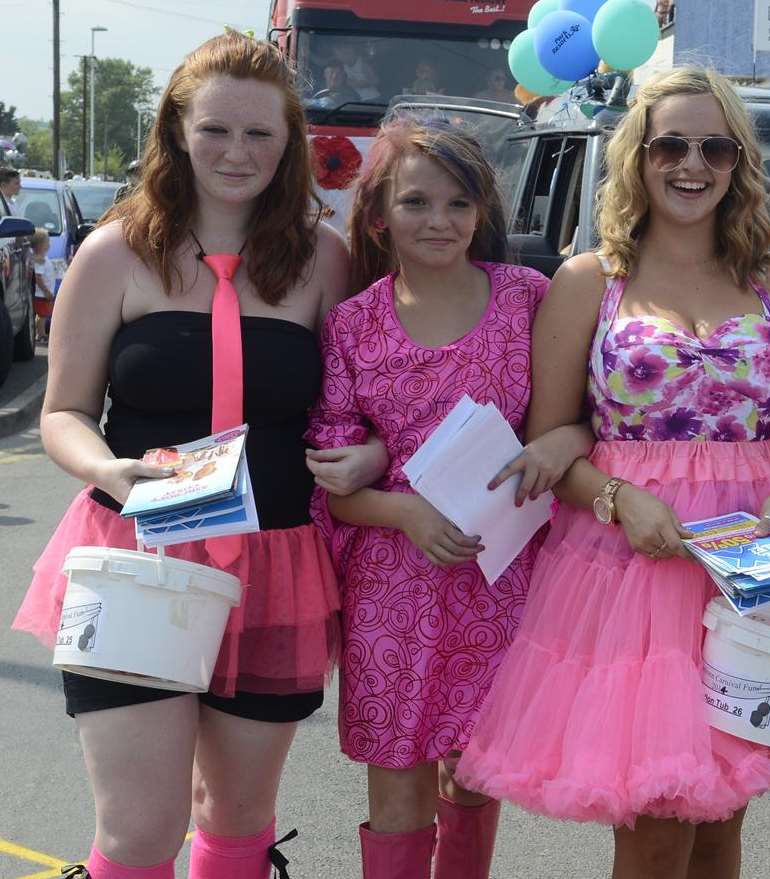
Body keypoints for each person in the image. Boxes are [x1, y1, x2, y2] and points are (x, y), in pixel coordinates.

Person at [452, 67, 770, 879]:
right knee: (657, 822)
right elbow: (553, 437)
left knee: (719, 819)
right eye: (671, 143)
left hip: (753, 566)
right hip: (631, 569)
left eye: (715, 147)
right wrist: (617, 495)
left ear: (740, 163)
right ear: (638, 154)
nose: (691, 163)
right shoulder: (589, 280)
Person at [11, 32, 387, 879]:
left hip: (277, 562)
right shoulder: (115, 253)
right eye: (216, 128)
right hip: (135, 560)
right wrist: (107, 469)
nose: (236, 151)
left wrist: (367, 454)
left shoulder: (324, 259)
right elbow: (65, 410)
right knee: (140, 831)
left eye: (260, 133)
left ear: (290, 140)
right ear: (177, 129)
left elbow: (371, 403)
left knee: (239, 816)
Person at [306, 117, 592, 879]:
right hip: (392, 592)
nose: (440, 221)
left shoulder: (530, 298)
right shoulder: (352, 326)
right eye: (416, 203)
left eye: (459, 204)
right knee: (400, 786)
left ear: (482, 212)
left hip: (501, 581)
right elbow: (332, 484)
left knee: (474, 775)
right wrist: (402, 507)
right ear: (377, 217)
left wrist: (564, 442)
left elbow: (585, 415)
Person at [30, 228, 55, 343]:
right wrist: (46, 291)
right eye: (47, 241)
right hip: (41, 294)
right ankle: (41, 335)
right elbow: (38, 278)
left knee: (42, 315)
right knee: (42, 315)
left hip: (42, 293)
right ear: (40, 245)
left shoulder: (42, 259)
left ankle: (39, 334)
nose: (49, 244)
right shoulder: (40, 260)